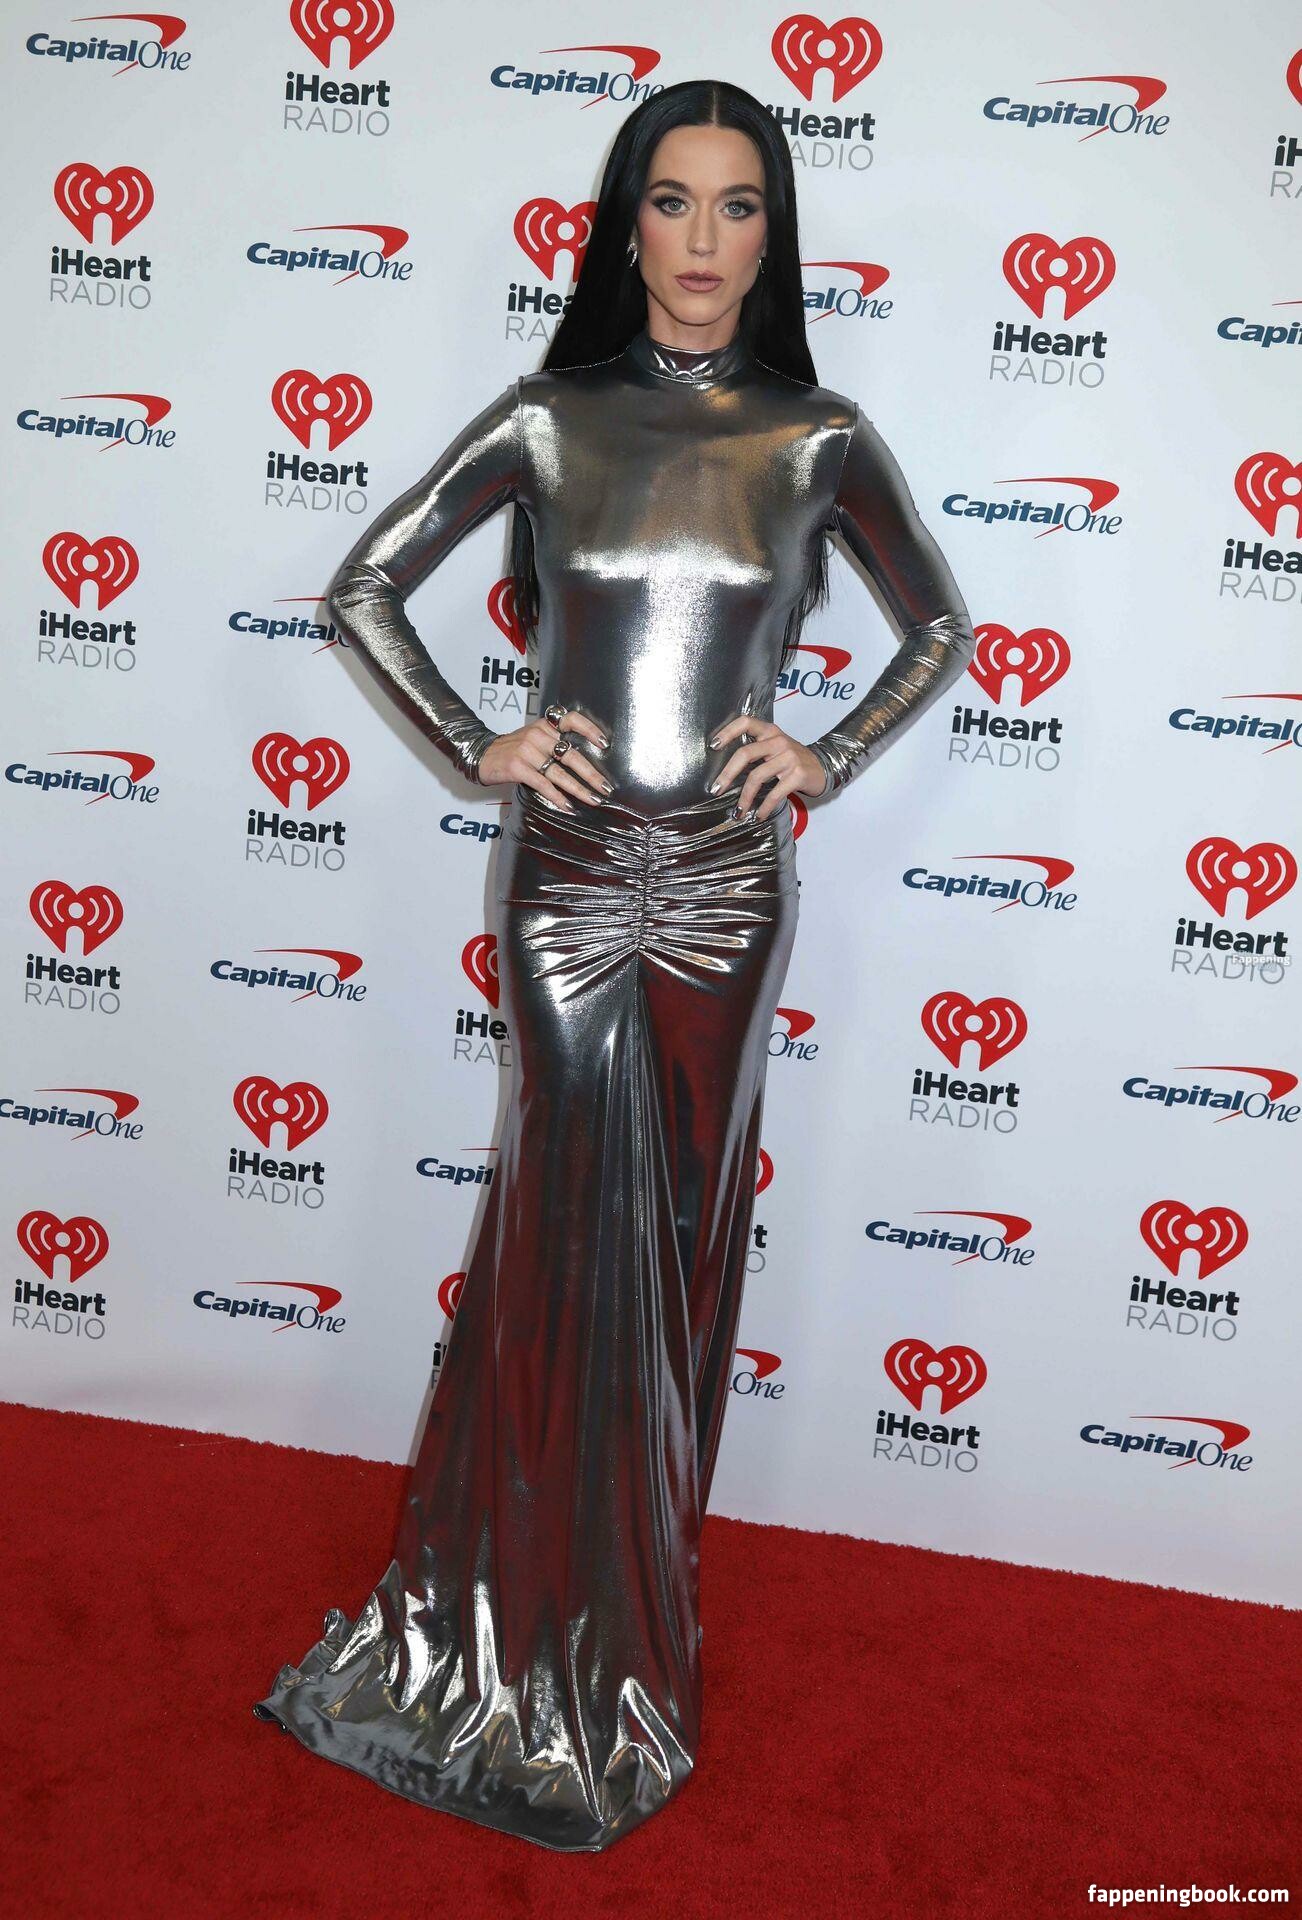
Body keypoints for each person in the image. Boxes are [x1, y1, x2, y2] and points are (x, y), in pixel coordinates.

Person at [253, 79, 975, 1852]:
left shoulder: (816, 436)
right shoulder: (547, 415)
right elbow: (362, 588)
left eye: (739, 206)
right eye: (672, 201)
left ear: (771, 232)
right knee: (561, 1228)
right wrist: (475, 741)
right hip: (568, 884)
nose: (703, 241)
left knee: (678, 1241)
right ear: (625, 221)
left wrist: (827, 752)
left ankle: (629, 1615)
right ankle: (507, 1625)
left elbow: (939, 625)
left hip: (728, 888)